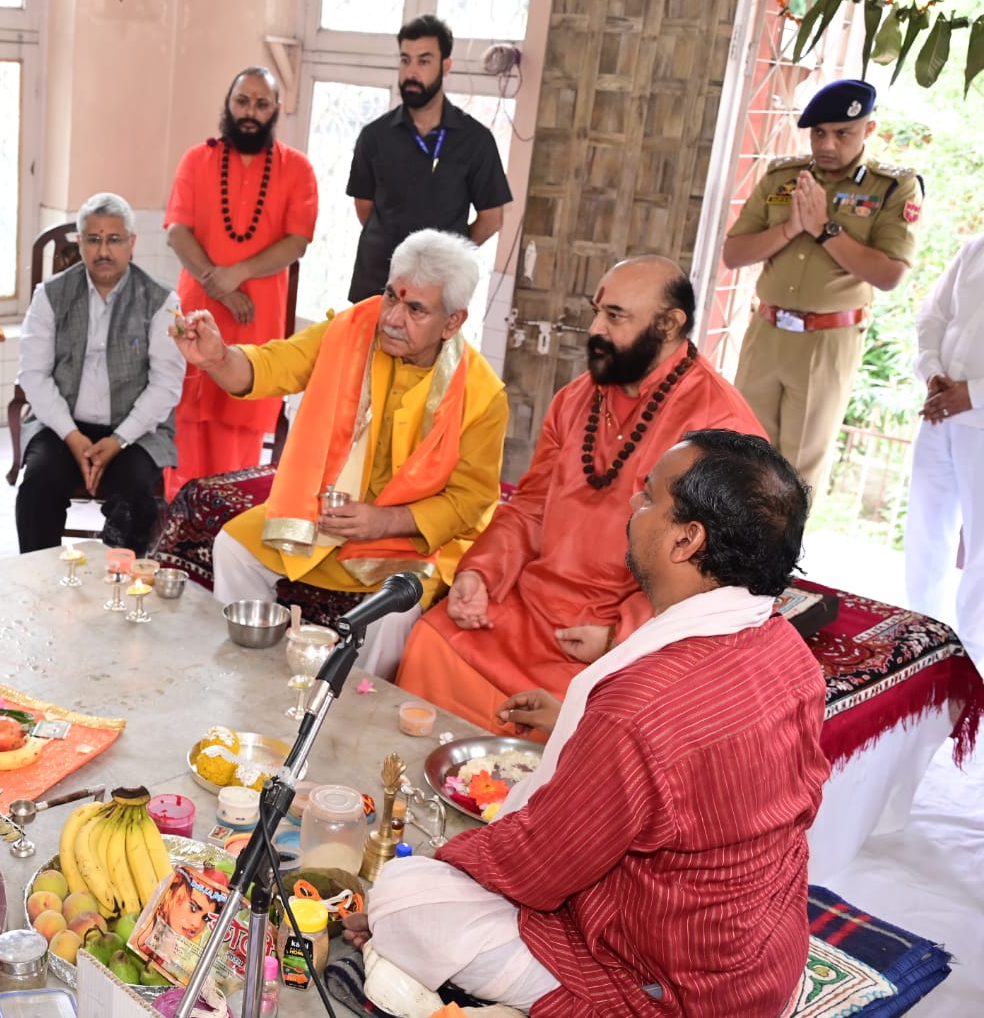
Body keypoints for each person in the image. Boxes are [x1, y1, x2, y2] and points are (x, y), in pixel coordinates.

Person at [351, 430, 828, 1016]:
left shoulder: (642, 708)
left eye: (649, 498)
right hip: (765, 964)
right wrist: (579, 729)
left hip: (671, 990)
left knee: (404, 897)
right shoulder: (789, 652)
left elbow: (536, 865)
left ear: (686, 540)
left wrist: (438, 865)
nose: (633, 508)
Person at [396, 257, 763, 729]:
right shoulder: (576, 399)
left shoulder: (720, 426)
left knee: (586, 706)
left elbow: (714, 569)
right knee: (433, 640)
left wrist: (617, 637)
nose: (595, 329)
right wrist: (483, 575)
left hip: (622, 626)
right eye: (595, 312)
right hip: (534, 606)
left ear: (669, 324)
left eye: (615, 316)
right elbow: (529, 507)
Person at [176, 230, 508, 680]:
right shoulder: (352, 329)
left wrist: (382, 521)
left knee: (394, 612)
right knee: (235, 547)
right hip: (327, 515)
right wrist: (218, 357)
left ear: (452, 322)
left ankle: (349, 718)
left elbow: (471, 499)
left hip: (408, 537)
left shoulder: (482, 395)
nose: (391, 317)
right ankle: (245, 679)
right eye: (391, 296)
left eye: (415, 310)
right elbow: (277, 364)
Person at [723, 78, 922, 501]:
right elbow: (735, 253)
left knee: (796, 473)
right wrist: (791, 227)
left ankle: (779, 563)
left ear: (869, 130)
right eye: (818, 133)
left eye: (842, 133)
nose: (827, 144)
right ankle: (734, 560)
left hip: (825, 341)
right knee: (742, 455)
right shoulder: (783, 176)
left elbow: (889, 274)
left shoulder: (891, 187)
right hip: (767, 333)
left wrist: (823, 229)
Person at [165, 66, 318, 495]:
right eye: (242, 101)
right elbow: (178, 231)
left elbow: (297, 242)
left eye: (262, 103)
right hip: (197, 314)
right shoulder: (197, 159)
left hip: (255, 325)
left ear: (277, 111)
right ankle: (173, 543)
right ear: (228, 105)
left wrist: (238, 275)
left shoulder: (297, 169)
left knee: (238, 439)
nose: (250, 112)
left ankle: (223, 545)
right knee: (185, 432)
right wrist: (223, 287)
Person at [16, 193, 185, 553]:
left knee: (136, 497)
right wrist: (73, 437)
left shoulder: (160, 301)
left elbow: (165, 386)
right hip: (62, 427)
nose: (103, 250)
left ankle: (120, 589)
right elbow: (33, 375)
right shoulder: (51, 295)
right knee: (38, 486)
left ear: (132, 244)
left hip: (136, 431)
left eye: (114, 239)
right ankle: (36, 584)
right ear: (80, 244)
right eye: (93, 240)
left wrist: (118, 440)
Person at [346, 14, 512, 303]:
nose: (411, 72)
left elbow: (491, 219)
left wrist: (446, 259)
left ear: (445, 66)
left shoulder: (475, 141)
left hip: (437, 293)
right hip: (375, 284)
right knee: (362, 349)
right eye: (405, 60)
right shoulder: (375, 136)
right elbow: (364, 208)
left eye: (423, 61)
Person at [904, 233, 982, 666]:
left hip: (979, 420)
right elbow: (932, 317)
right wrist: (933, 373)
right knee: (925, 537)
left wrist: (973, 394)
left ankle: (972, 669)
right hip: (941, 413)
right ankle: (921, 649)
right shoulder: (974, 248)